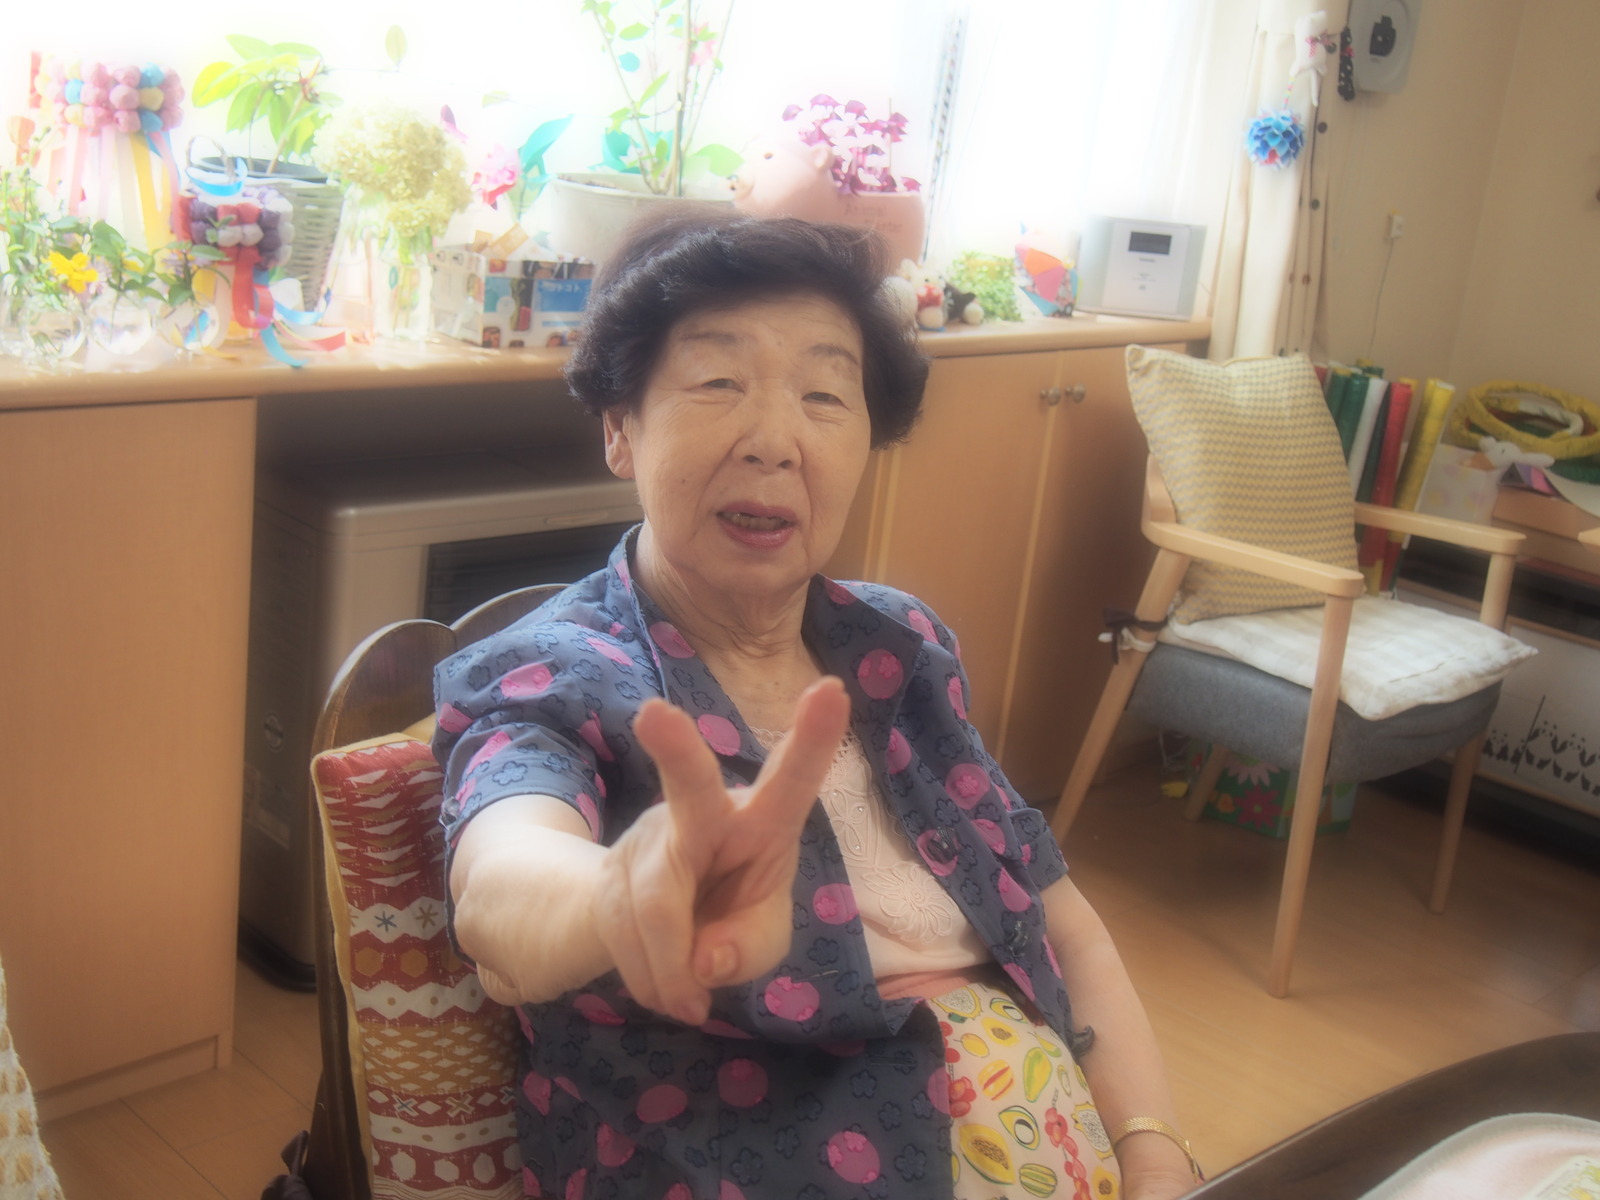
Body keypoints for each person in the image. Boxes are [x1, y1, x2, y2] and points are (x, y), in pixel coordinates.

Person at [436, 211, 1199, 1200]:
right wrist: (619, 891)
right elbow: (501, 882)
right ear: (620, 428)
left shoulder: (903, 649)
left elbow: (1070, 931)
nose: (775, 442)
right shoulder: (553, 671)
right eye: (718, 383)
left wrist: (1155, 1154)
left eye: (826, 396)